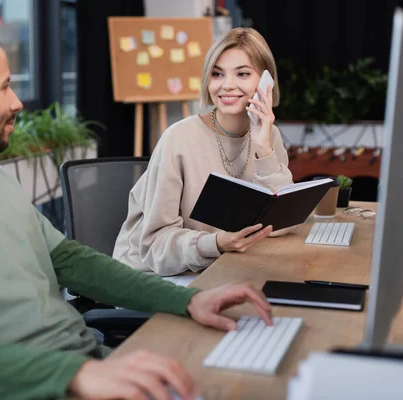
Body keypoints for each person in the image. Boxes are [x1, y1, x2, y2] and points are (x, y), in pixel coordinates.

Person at [0, 18, 274, 400]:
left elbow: (72, 261)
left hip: (89, 362)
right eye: (5, 86)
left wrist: (188, 301)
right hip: (39, 383)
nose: (17, 102)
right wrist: (80, 374)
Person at [113, 28, 294, 286]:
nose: (227, 85)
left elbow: (281, 225)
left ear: (266, 82)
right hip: (156, 278)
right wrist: (216, 243)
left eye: (242, 73)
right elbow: (154, 247)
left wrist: (264, 149)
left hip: (222, 266)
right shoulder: (178, 138)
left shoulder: (269, 134)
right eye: (217, 73)